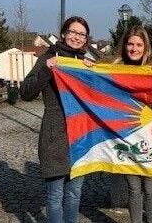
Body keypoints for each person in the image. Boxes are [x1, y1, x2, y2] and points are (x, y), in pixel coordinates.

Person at [20, 16, 93, 223]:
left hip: (80, 135)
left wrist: (92, 72)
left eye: (82, 34)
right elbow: (25, 93)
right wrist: (47, 69)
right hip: (55, 134)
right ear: (63, 33)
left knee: (74, 194)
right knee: (55, 195)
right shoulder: (47, 58)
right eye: (73, 32)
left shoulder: (87, 61)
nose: (77, 37)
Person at [109, 25, 152, 223]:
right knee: (133, 188)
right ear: (124, 46)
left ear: (145, 47)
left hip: (150, 136)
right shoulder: (114, 69)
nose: (134, 48)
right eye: (130, 43)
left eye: (139, 44)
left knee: (150, 188)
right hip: (125, 136)